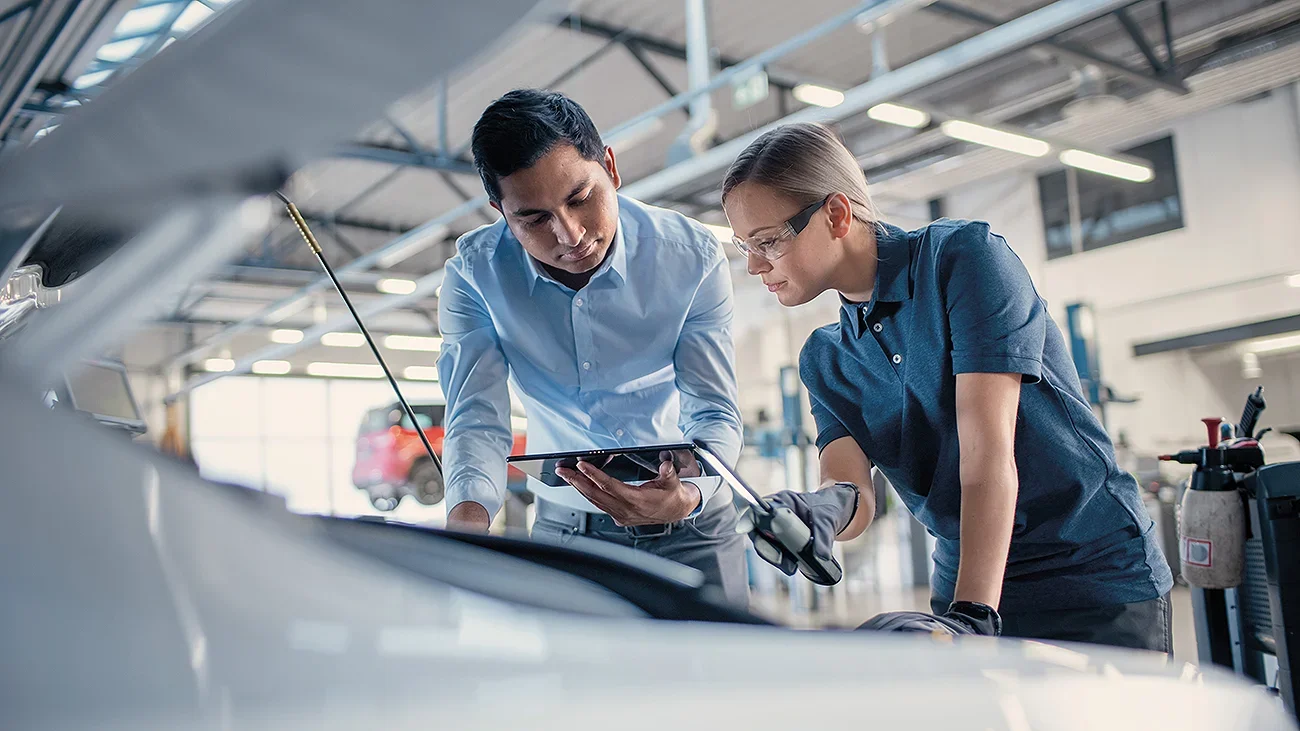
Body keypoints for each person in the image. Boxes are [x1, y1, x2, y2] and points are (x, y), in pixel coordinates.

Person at [720, 122, 1173, 650]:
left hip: (1086, 580)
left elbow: (986, 457)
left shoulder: (962, 260)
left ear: (837, 215)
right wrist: (820, 509)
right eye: (744, 247)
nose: (753, 266)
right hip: (962, 582)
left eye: (767, 241)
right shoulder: (827, 358)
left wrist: (971, 615)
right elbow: (855, 494)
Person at [436, 89, 748, 605]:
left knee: (718, 683)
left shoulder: (691, 258)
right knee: (576, 685)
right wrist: (466, 524)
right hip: (566, 532)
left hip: (693, 528)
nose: (570, 233)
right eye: (534, 219)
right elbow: (475, 419)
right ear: (501, 211)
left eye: (580, 198)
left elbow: (713, 409)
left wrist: (689, 494)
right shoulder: (473, 276)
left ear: (610, 167)